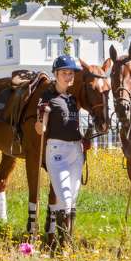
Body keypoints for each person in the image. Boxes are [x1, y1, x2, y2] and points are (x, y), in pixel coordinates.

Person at [36, 54, 86, 244]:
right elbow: (41, 129)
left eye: (71, 73)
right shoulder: (47, 97)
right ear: (56, 74)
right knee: (64, 196)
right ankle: (66, 242)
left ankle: (58, 241)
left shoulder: (73, 99)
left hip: (76, 151)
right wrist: (41, 119)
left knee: (71, 199)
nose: (69, 76)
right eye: (64, 73)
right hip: (57, 151)